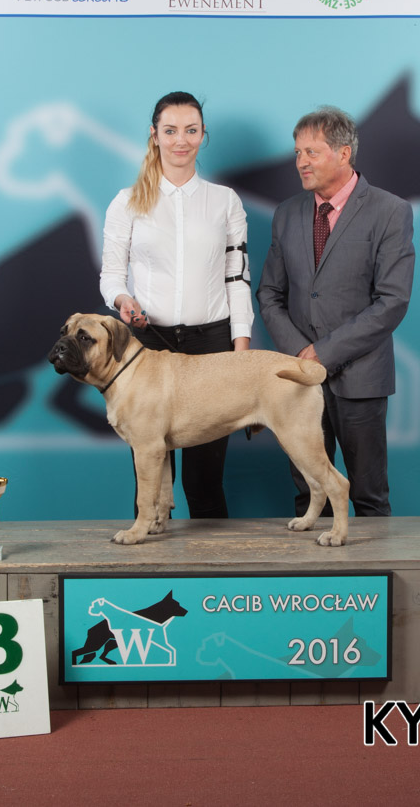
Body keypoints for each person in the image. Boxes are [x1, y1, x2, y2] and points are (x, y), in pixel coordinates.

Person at [99, 91, 253, 519]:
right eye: (170, 131)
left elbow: (238, 278)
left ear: (203, 135)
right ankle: (148, 553)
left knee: (204, 481)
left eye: (191, 130)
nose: (180, 140)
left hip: (212, 347)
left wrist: (241, 352)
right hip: (146, 345)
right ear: (154, 135)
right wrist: (122, 299)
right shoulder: (126, 201)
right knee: (150, 480)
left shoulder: (225, 201)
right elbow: (111, 274)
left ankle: (213, 563)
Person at [256, 106, 414, 517]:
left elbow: (392, 301)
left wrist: (323, 353)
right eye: (297, 152)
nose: (300, 162)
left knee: (369, 498)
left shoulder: (390, 211)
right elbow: (269, 293)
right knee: (309, 496)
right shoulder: (287, 213)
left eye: (311, 152)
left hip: (361, 379)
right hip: (298, 378)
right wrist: (301, 353)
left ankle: (372, 564)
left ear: (344, 154)